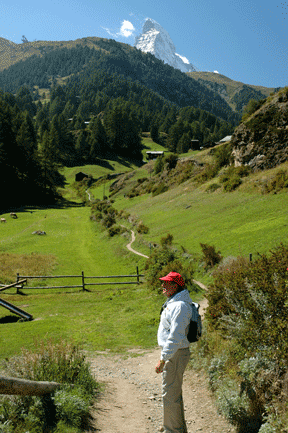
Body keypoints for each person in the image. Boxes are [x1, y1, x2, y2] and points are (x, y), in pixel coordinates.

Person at [155, 271, 193, 433]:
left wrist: (163, 359)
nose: (163, 286)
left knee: (170, 394)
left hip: (175, 354)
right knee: (172, 393)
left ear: (175, 286)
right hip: (175, 353)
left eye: (166, 283)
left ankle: (172, 430)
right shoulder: (176, 303)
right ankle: (174, 428)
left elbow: (175, 336)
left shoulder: (180, 306)